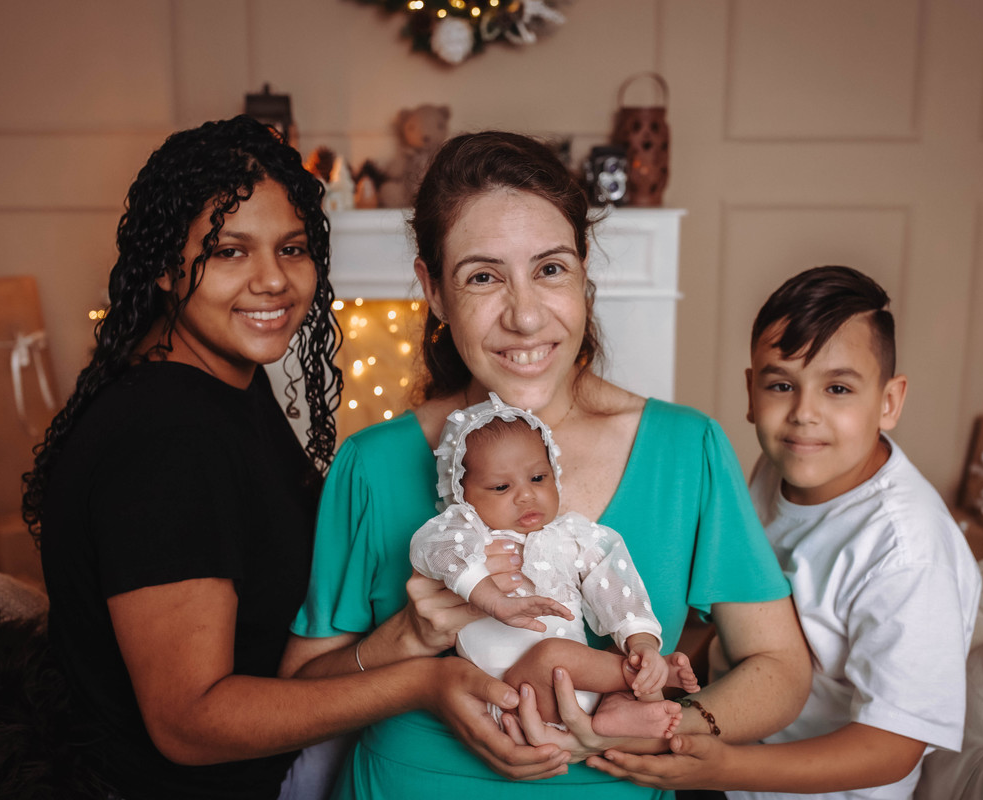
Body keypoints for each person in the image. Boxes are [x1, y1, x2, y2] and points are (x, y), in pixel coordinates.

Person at [23, 116, 548, 800]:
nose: (272, 280)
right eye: (229, 251)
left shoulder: (223, 385)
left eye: (292, 248)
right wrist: (422, 683)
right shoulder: (167, 437)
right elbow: (188, 723)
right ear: (164, 266)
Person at [285, 130, 812, 799]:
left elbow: (781, 669)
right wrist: (408, 645)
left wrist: (662, 727)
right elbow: (297, 695)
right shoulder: (372, 464)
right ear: (434, 291)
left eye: (550, 269)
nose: (526, 316)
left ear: (584, 271)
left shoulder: (686, 451)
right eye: (483, 277)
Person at [588, 266, 983, 799]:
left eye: (838, 388)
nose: (803, 414)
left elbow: (895, 746)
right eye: (781, 385)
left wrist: (721, 769)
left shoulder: (907, 550)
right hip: (724, 755)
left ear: (889, 401)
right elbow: (738, 617)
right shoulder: (776, 471)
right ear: (752, 392)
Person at [410, 394, 701, 739]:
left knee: (611, 650)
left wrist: (642, 644)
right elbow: (432, 548)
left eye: (538, 478)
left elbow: (615, 584)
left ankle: (617, 706)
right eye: (501, 487)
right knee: (552, 655)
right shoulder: (467, 535)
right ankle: (640, 676)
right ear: (462, 494)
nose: (526, 495)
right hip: (513, 695)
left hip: (581, 683)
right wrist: (495, 601)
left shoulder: (570, 536)